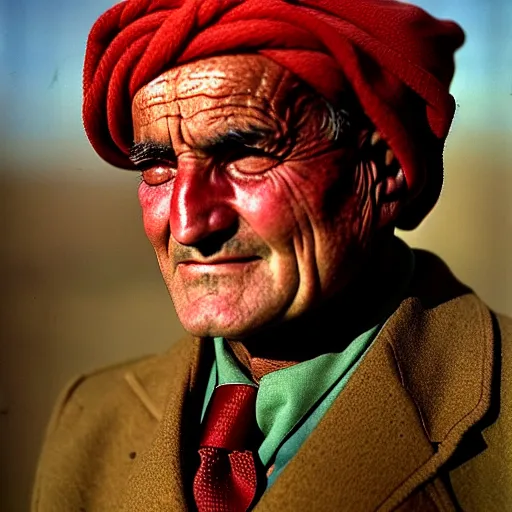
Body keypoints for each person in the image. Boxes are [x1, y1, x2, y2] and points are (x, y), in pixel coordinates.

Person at [32, 0, 511, 510]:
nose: (190, 223)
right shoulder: (89, 420)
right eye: (159, 168)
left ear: (382, 168)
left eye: (246, 155)